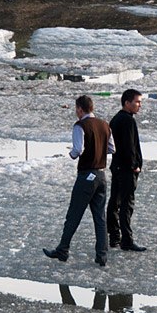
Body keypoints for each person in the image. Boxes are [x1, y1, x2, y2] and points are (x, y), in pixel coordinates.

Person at [43, 95, 114, 267]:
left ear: (80, 109)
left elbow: (77, 149)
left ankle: (62, 250)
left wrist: (72, 154)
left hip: (86, 176)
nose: (76, 112)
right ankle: (102, 256)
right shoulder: (105, 125)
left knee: (74, 215)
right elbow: (112, 148)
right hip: (101, 176)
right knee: (100, 218)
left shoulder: (80, 125)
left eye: (77, 109)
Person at [107, 89, 147, 252]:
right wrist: (134, 166)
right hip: (126, 169)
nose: (139, 105)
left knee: (114, 202)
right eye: (137, 102)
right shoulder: (127, 121)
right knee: (126, 204)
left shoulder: (116, 119)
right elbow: (129, 146)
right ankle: (127, 240)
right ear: (127, 103)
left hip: (117, 167)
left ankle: (114, 237)